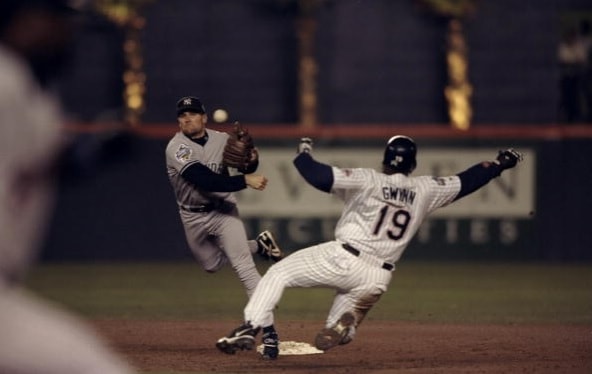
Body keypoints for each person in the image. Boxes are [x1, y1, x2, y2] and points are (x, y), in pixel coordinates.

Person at [215, 136, 523, 360]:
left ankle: (250, 325)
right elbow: (468, 180)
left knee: (278, 272)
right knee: (338, 335)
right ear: (413, 164)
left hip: (344, 256)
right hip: (377, 276)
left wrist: (302, 152)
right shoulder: (424, 189)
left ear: (385, 160)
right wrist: (499, 165)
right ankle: (344, 327)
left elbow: (318, 176)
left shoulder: (369, 180)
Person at [0, 1, 135, 373]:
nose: (68, 33)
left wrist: (83, 153)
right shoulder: (6, 82)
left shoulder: (29, 88)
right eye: (58, 21)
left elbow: (36, 158)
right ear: (25, 22)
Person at [165, 96, 283, 300]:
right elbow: (205, 181)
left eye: (192, 114)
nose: (187, 118)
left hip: (224, 209)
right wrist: (245, 179)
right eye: (182, 115)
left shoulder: (221, 139)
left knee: (244, 267)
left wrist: (252, 162)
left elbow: (244, 165)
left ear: (204, 118)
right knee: (212, 265)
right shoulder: (177, 148)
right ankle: (259, 245)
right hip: (192, 215)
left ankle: (267, 327)